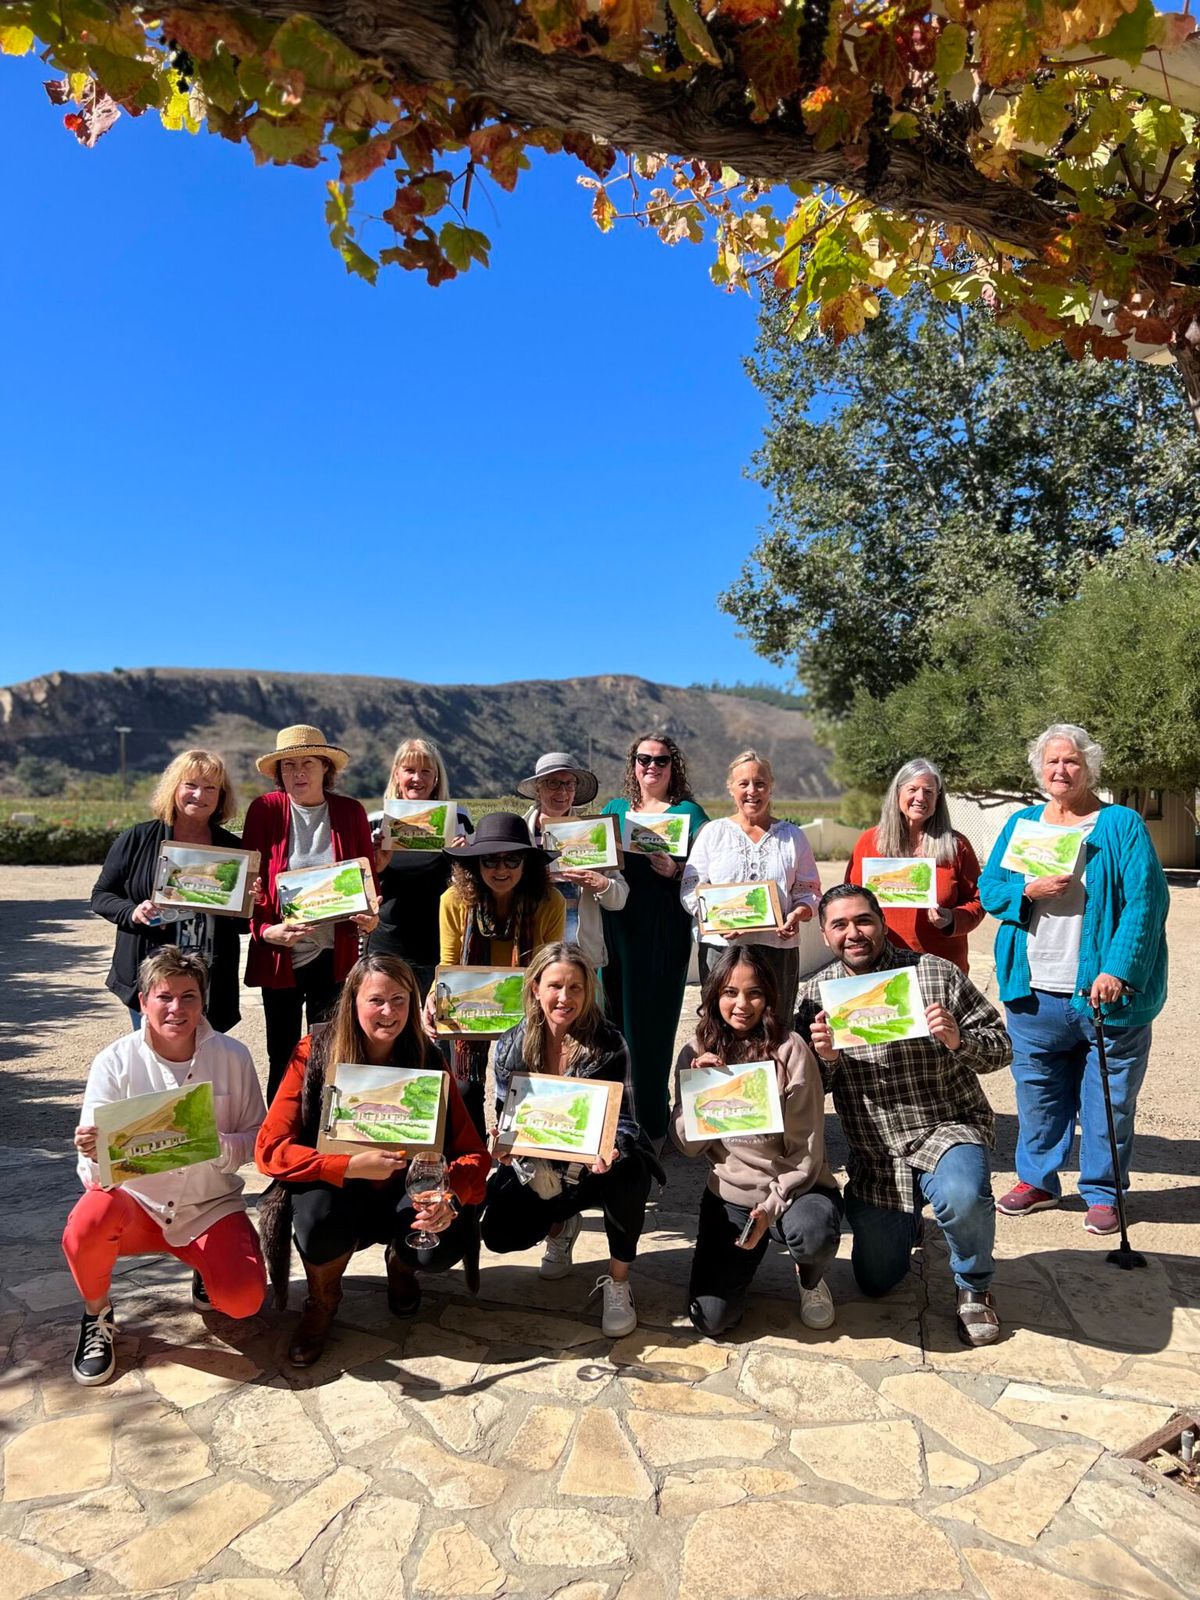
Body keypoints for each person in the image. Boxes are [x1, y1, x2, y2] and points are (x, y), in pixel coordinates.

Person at [796, 885, 1012, 1347]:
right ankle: (912, 1214)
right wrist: (826, 1060)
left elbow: (1002, 1048)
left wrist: (959, 1041)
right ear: (825, 932)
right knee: (876, 1282)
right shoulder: (815, 997)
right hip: (877, 1154)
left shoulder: (934, 974)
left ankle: (974, 1286)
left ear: (881, 921)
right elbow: (805, 1092)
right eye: (840, 925)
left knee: (962, 1193)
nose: (854, 933)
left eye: (863, 921)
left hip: (947, 1125)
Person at [979, 723, 1169, 1235]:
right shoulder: (1022, 824)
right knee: (1037, 1094)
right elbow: (990, 888)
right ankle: (1038, 1181)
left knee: (1107, 1100)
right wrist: (1028, 889)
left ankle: (1104, 1191)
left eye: (1072, 762)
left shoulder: (1120, 825)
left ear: (1088, 768)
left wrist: (1118, 970)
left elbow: (1147, 904)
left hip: (1104, 995)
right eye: (1052, 762)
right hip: (1033, 989)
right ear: (1040, 769)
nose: (1060, 771)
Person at [255, 953, 489, 1365]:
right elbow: (271, 1149)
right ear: (353, 1002)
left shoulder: (429, 1059)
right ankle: (323, 1300)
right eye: (377, 1000)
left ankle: (402, 1265)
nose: (389, 1011)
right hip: (338, 1188)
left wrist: (449, 1197)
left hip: (406, 1190)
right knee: (316, 1223)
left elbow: (473, 1152)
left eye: (400, 1000)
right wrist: (346, 1166)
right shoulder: (314, 1052)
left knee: (435, 1248)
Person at [63, 949, 266, 1385]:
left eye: (189, 996)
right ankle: (96, 1315)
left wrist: (211, 1144)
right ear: (143, 1001)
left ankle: (205, 1272)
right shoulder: (114, 1061)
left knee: (244, 1301)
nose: (177, 1008)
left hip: (208, 1205)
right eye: (165, 997)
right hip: (137, 1206)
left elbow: (257, 1137)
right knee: (88, 1220)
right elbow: (93, 1173)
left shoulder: (233, 1056)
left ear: (203, 1001)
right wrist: (94, 1154)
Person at [481, 942, 660, 1336]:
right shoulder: (511, 1044)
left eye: (576, 987)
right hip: (541, 1167)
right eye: (555, 986)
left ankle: (618, 1282)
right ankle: (561, 1228)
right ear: (535, 989)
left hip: (595, 1166)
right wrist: (503, 1146)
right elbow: (506, 1116)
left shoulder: (610, 1042)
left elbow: (627, 1119)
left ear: (588, 990)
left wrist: (614, 1147)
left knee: (632, 1172)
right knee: (497, 1232)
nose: (565, 998)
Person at [671, 946, 842, 1337]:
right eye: (730, 992)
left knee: (812, 1234)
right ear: (714, 996)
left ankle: (810, 1277)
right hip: (732, 1196)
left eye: (754, 993)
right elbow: (685, 1147)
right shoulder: (696, 1052)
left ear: (769, 997)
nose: (741, 1004)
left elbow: (806, 1150)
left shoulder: (791, 1049)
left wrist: (770, 1207)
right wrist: (703, 1095)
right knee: (712, 1319)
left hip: (797, 1191)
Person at [241, 725, 379, 1101]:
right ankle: (279, 1139)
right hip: (281, 955)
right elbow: (249, 886)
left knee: (329, 1051)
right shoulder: (265, 810)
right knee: (281, 1053)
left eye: (307, 764)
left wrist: (370, 915)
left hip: (335, 955)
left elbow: (368, 882)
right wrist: (266, 931)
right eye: (288, 766)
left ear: (325, 768)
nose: (298, 773)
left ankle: (323, 1136)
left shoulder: (349, 812)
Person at [601, 733, 709, 1143]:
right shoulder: (614, 809)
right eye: (643, 759)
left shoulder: (689, 813)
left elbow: (710, 869)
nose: (652, 766)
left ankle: (650, 1122)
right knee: (614, 1024)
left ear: (672, 765)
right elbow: (592, 853)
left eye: (661, 760)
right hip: (617, 930)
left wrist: (677, 872)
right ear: (633, 765)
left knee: (654, 1027)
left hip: (663, 932)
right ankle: (615, 1121)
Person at [91, 748, 246, 1032]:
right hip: (152, 977)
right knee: (156, 1063)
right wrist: (133, 911)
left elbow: (243, 924)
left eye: (210, 788)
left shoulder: (233, 849)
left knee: (203, 1066)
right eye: (191, 785)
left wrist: (250, 899)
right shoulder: (137, 838)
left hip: (209, 981)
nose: (200, 795)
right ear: (174, 788)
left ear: (220, 796)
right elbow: (101, 896)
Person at [435, 812, 566, 1135]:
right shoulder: (453, 901)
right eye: (490, 860)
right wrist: (432, 998)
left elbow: (552, 967)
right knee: (465, 1087)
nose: (501, 869)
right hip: (470, 1007)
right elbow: (450, 965)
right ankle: (476, 1154)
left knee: (521, 1081)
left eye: (512, 860)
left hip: (528, 1005)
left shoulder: (550, 902)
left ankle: (517, 1150)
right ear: (476, 865)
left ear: (527, 864)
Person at [681, 749, 820, 1022]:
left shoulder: (793, 837)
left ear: (770, 788)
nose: (752, 791)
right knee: (722, 1027)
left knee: (775, 1027)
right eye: (743, 783)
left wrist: (797, 913)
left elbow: (809, 891)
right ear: (731, 788)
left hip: (777, 949)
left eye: (760, 783)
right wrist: (717, 920)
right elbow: (690, 888)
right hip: (721, 949)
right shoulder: (713, 834)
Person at [846, 758, 984, 975]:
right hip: (881, 963)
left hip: (940, 967)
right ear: (898, 793)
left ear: (938, 798)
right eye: (913, 789)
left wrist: (951, 918)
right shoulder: (869, 842)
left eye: (928, 791)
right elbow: (849, 900)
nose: (920, 798)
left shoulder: (957, 846)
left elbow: (977, 901)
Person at [370, 736, 472, 999]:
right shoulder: (376, 823)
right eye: (410, 770)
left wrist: (463, 859)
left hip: (440, 942)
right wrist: (377, 867)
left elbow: (471, 882)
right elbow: (363, 890)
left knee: (439, 1031)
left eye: (426, 771)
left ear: (437, 777)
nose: (418, 778)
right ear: (396, 775)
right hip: (388, 943)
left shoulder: (459, 818)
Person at [518, 749, 629, 972]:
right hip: (528, 943)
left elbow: (619, 898)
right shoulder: (517, 832)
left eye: (569, 784)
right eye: (553, 783)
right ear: (538, 789)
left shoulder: (596, 834)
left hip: (580, 951)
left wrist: (603, 885)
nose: (562, 791)